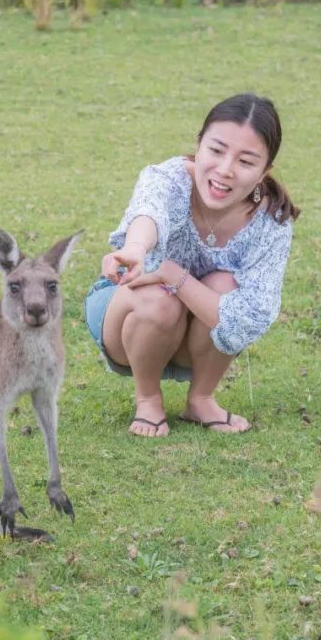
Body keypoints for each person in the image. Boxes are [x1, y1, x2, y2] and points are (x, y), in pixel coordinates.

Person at [84, 94, 298, 437]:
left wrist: (171, 272)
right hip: (129, 315)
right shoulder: (167, 179)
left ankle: (201, 399)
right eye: (216, 150)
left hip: (199, 334)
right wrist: (137, 249)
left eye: (245, 161)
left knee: (225, 286)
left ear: (263, 172)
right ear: (199, 145)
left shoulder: (271, 223)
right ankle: (148, 398)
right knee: (159, 296)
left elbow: (246, 319)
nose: (225, 170)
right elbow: (149, 213)